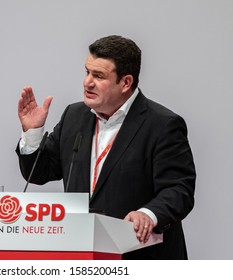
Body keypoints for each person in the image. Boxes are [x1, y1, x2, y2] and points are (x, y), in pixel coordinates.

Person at [16, 35, 196, 259]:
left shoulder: (162, 125)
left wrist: (147, 214)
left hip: (141, 257)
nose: (87, 82)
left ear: (126, 82)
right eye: (87, 71)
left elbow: (179, 190)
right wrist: (33, 133)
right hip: (83, 257)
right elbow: (40, 173)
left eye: (98, 76)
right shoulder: (74, 116)